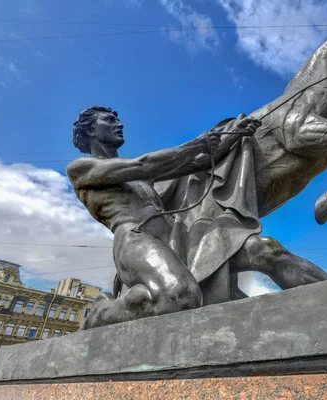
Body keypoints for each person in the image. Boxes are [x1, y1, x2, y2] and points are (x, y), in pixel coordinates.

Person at [66, 106, 260, 328]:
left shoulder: (137, 174)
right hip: (136, 239)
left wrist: (234, 134)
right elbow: (144, 164)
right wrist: (196, 144)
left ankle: (135, 298)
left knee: (250, 254)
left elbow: (198, 163)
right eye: (109, 120)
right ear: (91, 129)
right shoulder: (80, 168)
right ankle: (103, 311)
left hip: (173, 237)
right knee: (181, 295)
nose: (119, 125)